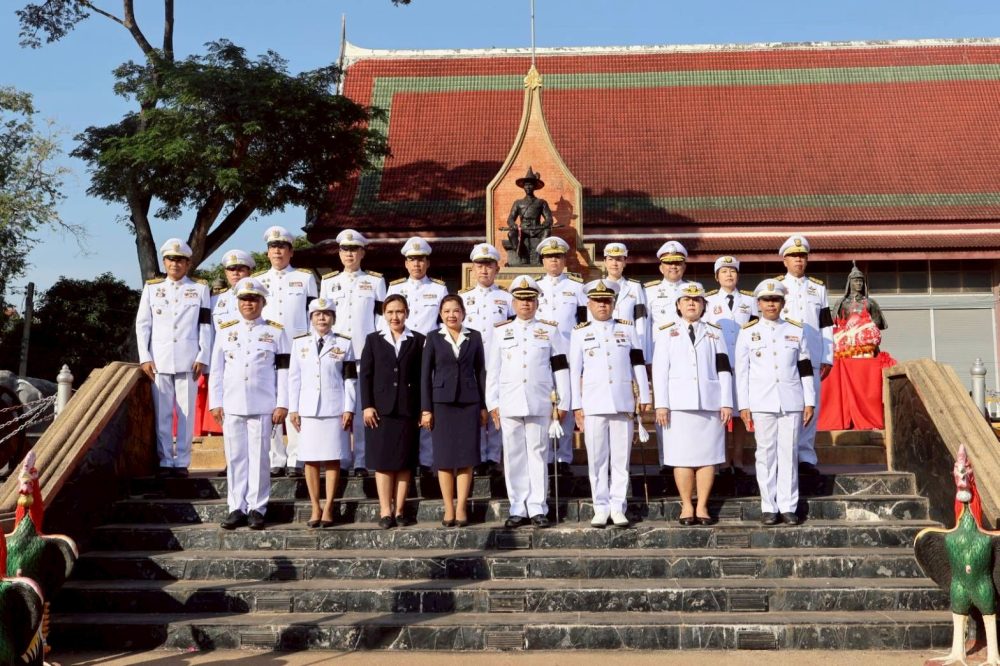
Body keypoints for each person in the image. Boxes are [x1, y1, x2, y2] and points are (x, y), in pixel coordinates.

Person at [487, 275, 570, 529]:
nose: (526, 304)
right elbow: (493, 370)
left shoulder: (550, 330)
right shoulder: (501, 331)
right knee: (513, 455)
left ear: (537, 302)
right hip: (509, 401)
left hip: (540, 401)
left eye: (530, 299)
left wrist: (563, 402)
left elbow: (560, 368)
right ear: (513, 303)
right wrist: (492, 403)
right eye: (521, 299)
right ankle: (517, 507)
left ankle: (537, 507)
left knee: (538, 453)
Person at [209, 277, 290, 531]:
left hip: (263, 404)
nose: (248, 303)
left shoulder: (276, 331)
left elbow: (285, 371)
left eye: (254, 299)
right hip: (232, 403)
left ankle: (257, 507)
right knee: (235, 457)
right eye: (244, 299)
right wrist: (215, 402)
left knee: (259, 458)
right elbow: (217, 370)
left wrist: (282, 403)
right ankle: (236, 507)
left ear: (263, 302)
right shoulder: (225, 330)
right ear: (238, 302)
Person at [569, 279, 650, 529]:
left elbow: (638, 362)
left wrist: (645, 396)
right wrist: (576, 405)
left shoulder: (627, 329)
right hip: (593, 403)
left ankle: (618, 506)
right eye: (598, 301)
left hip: (623, 401)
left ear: (614, 304)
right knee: (597, 459)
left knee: (620, 459)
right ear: (589, 304)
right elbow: (574, 372)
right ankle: (600, 507)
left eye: (607, 301)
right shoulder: (579, 332)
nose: (602, 305)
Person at [653, 282, 734, 526]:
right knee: (681, 457)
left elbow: (724, 368)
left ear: (703, 305)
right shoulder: (666, 332)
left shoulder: (714, 332)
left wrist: (726, 401)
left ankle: (702, 505)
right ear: (678, 305)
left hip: (709, 403)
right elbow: (659, 371)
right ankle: (687, 504)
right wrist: (661, 404)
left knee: (708, 457)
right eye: (686, 300)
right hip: (677, 406)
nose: (691, 303)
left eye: (697, 300)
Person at [735, 279, 816, 526]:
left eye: (776, 300)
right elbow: (742, 372)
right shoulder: (747, 332)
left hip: (791, 399)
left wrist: (810, 400)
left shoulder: (796, 330)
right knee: (765, 453)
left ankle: (788, 506)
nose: (771, 304)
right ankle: (769, 506)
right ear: (758, 304)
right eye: (766, 300)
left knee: (789, 453)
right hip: (761, 401)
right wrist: (743, 405)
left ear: (783, 303)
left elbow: (805, 368)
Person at [135, 238, 213, 479]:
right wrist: (145, 357)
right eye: (171, 259)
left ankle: (182, 461)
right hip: (159, 360)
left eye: (180, 260)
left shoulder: (200, 289)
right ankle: (166, 460)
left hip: (189, 360)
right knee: (163, 414)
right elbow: (143, 325)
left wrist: (203, 355)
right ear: (164, 262)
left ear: (188, 263)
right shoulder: (152, 288)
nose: (175, 264)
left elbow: (205, 325)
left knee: (186, 414)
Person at [319, 229, 386, 478]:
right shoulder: (328, 282)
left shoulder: (375, 281)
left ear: (362, 252)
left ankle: (361, 459)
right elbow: (320, 318)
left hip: (362, 353)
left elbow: (381, 319)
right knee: (337, 406)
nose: (349, 254)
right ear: (339, 253)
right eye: (345, 250)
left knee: (360, 410)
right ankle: (340, 458)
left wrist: (378, 350)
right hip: (334, 353)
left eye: (354, 249)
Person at [253, 225, 318, 479]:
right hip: (267, 349)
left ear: (291, 252)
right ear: (267, 252)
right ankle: (275, 457)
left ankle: (296, 456)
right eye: (273, 247)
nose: (277, 251)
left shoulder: (305, 278)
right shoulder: (258, 280)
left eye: (282, 247)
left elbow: (313, 315)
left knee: (295, 403)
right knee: (271, 402)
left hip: (296, 348)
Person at [288, 298, 356, 529]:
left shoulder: (344, 343)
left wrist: (349, 408)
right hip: (308, 409)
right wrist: (293, 408)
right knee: (310, 459)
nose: (322, 318)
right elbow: (294, 378)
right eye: (317, 314)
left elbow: (350, 379)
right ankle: (315, 506)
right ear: (311, 318)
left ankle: (328, 507)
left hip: (334, 408)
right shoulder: (299, 343)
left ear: (333, 318)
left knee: (333, 457)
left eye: (327, 314)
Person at [420, 295, 487, 527]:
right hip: (442, 404)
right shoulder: (433, 337)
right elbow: (425, 375)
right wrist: (426, 409)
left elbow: (480, 372)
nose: (451, 315)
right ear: (440, 314)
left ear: (463, 313)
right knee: (445, 458)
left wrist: (484, 406)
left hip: (469, 403)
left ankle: (461, 507)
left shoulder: (474, 336)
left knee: (467, 457)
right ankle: (448, 507)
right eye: (447, 311)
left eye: (456, 310)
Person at [385, 236, 449, 474]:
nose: (416, 264)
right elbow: (385, 323)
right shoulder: (395, 288)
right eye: (412, 259)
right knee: (404, 405)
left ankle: (426, 459)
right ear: (405, 263)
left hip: (428, 353)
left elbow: (443, 323)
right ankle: (405, 456)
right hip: (401, 353)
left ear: (428, 263)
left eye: (421, 259)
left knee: (426, 404)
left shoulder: (439, 289)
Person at [361, 294, 425, 529]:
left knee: (404, 462)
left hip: (408, 409)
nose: (395, 316)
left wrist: (424, 408)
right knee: (384, 461)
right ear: (384, 314)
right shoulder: (373, 340)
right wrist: (367, 405)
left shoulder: (418, 340)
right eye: (390, 312)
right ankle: (385, 510)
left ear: (407, 313)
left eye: (399, 311)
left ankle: (399, 510)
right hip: (381, 410)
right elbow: (365, 375)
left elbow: (423, 377)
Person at [776, 235, 832, 476]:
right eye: (793, 256)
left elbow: (826, 324)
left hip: (813, 356)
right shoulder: (776, 286)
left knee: (812, 404)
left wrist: (828, 356)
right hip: (786, 357)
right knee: (787, 405)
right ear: (785, 260)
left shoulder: (817, 288)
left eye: (802, 256)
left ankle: (806, 456)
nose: (798, 260)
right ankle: (785, 454)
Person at [458, 243, 513, 476]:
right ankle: (478, 455)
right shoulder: (463, 298)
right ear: (473, 268)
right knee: (474, 410)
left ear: (497, 269)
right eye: (480, 265)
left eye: (489, 265)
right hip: (471, 364)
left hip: (497, 363)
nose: (484, 270)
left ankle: (493, 456)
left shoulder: (506, 298)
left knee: (495, 409)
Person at [535, 235, 586, 476]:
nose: (553, 260)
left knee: (565, 403)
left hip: (567, 354)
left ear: (564, 260)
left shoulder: (577, 287)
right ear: (543, 261)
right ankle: (545, 456)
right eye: (549, 257)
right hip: (541, 355)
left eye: (558, 256)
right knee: (544, 404)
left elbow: (583, 323)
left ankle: (563, 457)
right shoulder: (535, 287)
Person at [200, 249, 255, 468]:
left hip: (253, 366)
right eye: (231, 269)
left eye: (240, 269)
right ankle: (230, 462)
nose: (236, 273)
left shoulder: (259, 298)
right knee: (226, 419)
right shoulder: (216, 300)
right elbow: (208, 334)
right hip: (224, 366)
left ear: (249, 271)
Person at [704, 256, 758, 477]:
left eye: (732, 271)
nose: (729, 275)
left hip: (744, 365)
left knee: (741, 414)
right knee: (721, 413)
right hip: (719, 365)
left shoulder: (750, 300)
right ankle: (723, 459)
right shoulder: (708, 301)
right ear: (717, 277)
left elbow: (755, 331)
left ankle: (738, 457)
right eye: (724, 271)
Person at [644, 240, 691, 474]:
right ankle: (666, 460)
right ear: (661, 267)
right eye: (669, 263)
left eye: (678, 263)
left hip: (688, 359)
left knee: (687, 408)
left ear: (684, 266)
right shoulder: (649, 291)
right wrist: (647, 358)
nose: (673, 267)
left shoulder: (694, 290)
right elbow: (645, 327)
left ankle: (688, 458)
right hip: (660, 358)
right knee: (662, 407)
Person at [598, 242, 650, 358]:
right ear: (605, 262)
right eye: (610, 259)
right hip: (603, 346)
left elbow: (640, 321)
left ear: (625, 262)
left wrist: (640, 352)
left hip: (628, 345)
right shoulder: (596, 288)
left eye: (619, 259)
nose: (614, 263)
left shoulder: (634, 287)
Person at [505, 167, 554, 266]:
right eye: (526, 185)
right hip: (523, 229)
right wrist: (513, 224)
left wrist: (546, 223)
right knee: (511, 234)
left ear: (534, 187)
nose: (528, 187)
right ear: (523, 187)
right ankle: (522, 255)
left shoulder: (541, 202)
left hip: (537, 228)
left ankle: (539, 255)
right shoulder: (518, 203)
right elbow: (510, 218)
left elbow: (549, 218)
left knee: (547, 232)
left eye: (530, 185)